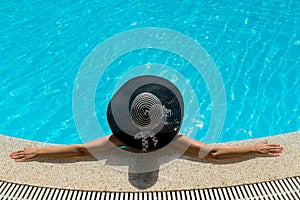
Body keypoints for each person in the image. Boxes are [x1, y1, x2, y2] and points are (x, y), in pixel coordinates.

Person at [10, 76, 283, 162]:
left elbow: (82, 150)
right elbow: (212, 153)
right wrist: (254, 149)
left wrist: (39, 152)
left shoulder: (121, 137)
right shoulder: (173, 138)